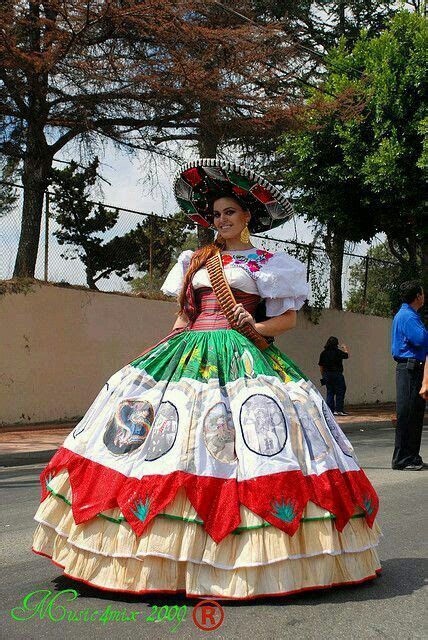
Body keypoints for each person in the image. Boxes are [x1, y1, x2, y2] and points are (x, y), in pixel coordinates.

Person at [32, 158, 381, 600]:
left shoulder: (271, 263)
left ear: (247, 215)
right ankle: (156, 557)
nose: (221, 220)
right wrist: (166, 345)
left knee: (247, 445)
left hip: (244, 354)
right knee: (170, 442)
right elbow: (185, 312)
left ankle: (248, 559)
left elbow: (288, 319)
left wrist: (254, 327)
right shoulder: (196, 259)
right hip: (189, 350)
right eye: (215, 214)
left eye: (229, 213)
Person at [391, 280, 428, 471]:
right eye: (422, 293)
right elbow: (421, 339)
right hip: (409, 369)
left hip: (415, 368)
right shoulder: (407, 316)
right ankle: (401, 459)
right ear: (418, 296)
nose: (424, 296)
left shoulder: (411, 315)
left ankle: (412, 456)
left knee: (415, 414)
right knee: (407, 413)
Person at [318, 337, 350, 416]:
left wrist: (323, 376)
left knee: (330, 392)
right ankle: (339, 410)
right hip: (337, 374)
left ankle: (330, 411)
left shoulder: (323, 353)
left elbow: (321, 366)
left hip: (327, 374)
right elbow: (346, 355)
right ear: (336, 344)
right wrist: (345, 348)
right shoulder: (338, 352)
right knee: (340, 391)